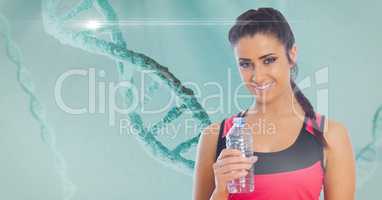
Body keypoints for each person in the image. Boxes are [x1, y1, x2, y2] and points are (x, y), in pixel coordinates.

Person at [192, 7, 355, 200]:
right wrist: (220, 192)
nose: (257, 76)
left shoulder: (330, 135)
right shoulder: (214, 137)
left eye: (269, 60)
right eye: (245, 64)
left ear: (292, 54)